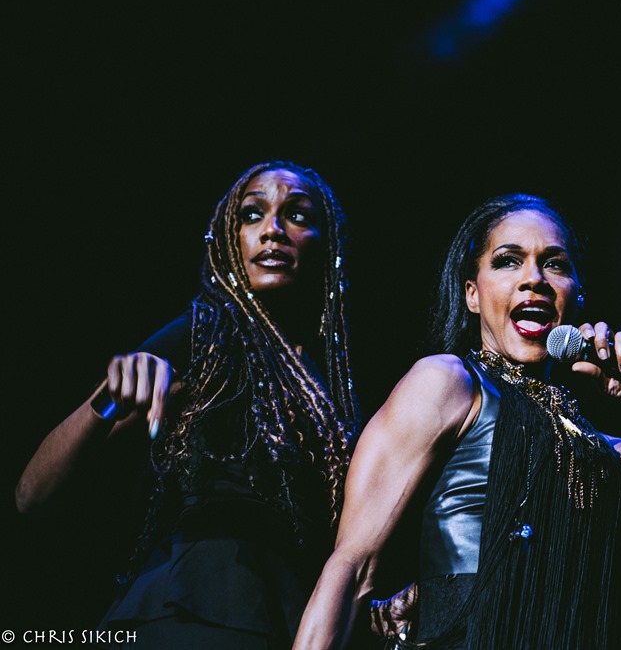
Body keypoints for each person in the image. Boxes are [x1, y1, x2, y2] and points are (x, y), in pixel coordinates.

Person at [293, 192, 621, 650]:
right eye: (508, 261)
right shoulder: (446, 383)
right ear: (472, 294)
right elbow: (352, 568)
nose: (533, 278)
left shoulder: (603, 456)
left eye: (554, 264)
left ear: (576, 296)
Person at [15, 160, 361, 649]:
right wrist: (110, 399)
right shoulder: (208, 330)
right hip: (195, 608)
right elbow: (31, 494)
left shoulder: (327, 378)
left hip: (285, 616)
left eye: (297, 215)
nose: (272, 230)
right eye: (252, 214)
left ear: (328, 245)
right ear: (228, 241)